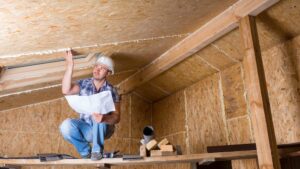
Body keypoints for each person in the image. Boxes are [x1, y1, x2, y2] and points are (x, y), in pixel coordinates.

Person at [59, 50, 120, 161]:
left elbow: (116, 117)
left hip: (104, 129)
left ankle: (97, 152)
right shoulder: (83, 84)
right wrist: (70, 65)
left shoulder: (112, 91)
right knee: (65, 126)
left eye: (102, 68)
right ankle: (85, 152)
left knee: (99, 110)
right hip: (86, 128)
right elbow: (65, 90)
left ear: (109, 73)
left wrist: (104, 118)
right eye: (96, 66)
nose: (97, 69)